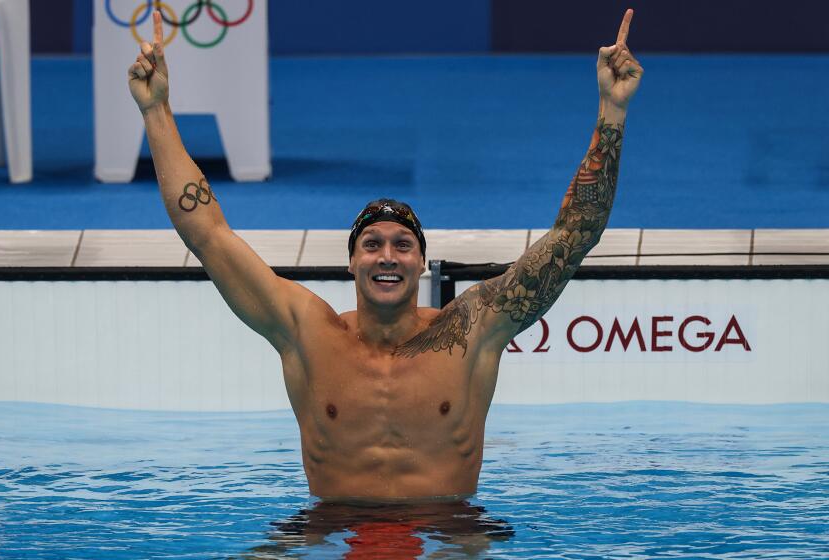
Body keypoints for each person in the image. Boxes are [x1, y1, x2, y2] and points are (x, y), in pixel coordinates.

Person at [129, 9, 643, 501]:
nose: (387, 257)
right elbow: (208, 235)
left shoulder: (474, 329)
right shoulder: (305, 331)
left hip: (447, 530)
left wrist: (612, 110)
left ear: (422, 262)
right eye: (371, 245)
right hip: (331, 529)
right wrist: (156, 111)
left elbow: (575, 234)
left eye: (403, 245)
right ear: (351, 262)